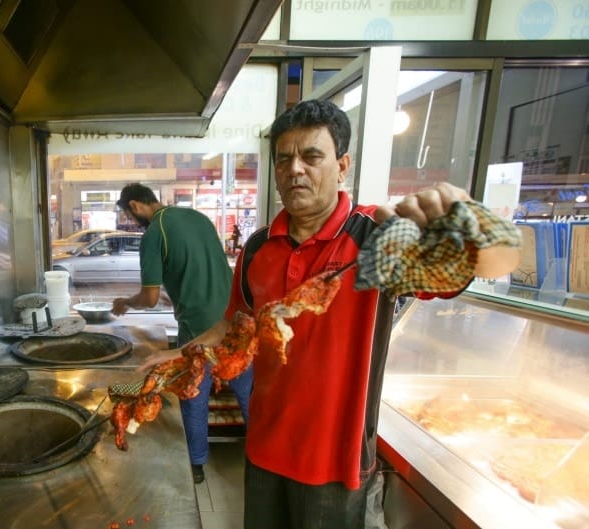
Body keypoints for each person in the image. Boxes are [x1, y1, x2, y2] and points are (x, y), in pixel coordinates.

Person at [140, 100, 520, 528]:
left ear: (342, 166)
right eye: (283, 159)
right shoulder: (258, 247)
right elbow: (234, 325)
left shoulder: (376, 234)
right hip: (264, 446)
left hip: (336, 464)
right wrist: (179, 354)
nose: (295, 169)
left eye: (311, 156)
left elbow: (494, 264)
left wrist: (472, 222)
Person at [111, 183, 253, 485]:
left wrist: (126, 303)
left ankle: (197, 464)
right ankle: (263, 461)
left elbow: (148, 298)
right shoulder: (198, 217)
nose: (132, 220)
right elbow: (203, 270)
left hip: (199, 328)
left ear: (135, 206)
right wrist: (175, 295)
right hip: (234, 321)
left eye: (129, 215)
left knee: (193, 397)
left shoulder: (154, 233)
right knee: (250, 396)